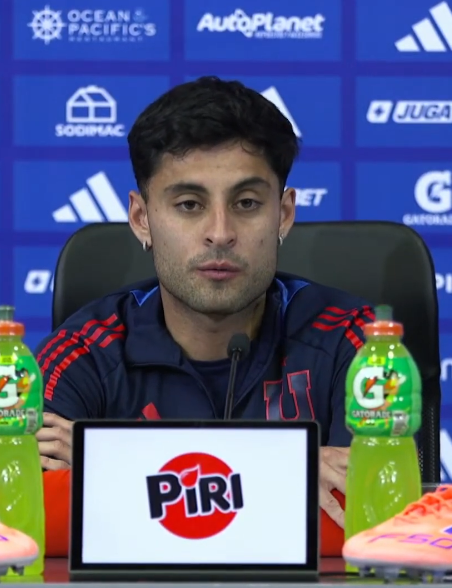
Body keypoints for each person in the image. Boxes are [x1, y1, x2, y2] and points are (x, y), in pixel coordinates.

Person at [32, 76, 375, 527]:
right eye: (190, 205)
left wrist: (109, 462)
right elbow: (32, 513)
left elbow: (372, 505)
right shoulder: (80, 352)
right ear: (141, 219)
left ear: (284, 215)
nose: (220, 232)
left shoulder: (358, 340)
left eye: (247, 203)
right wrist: (290, 470)